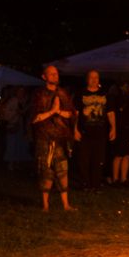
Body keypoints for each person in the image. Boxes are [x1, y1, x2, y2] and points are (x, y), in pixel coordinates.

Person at [30, 65, 76, 211]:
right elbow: (35, 118)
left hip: (61, 138)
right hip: (45, 138)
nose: (55, 76)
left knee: (63, 170)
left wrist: (60, 112)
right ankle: (45, 204)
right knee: (46, 170)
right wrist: (52, 111)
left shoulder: (62, 93)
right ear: (44, 77)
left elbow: (71, 113)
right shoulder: (39, 94)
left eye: (56, 74)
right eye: (51, 74)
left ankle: (66, 204)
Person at [73, 69, 116, 190]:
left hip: (100, 133)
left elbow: (111, 112)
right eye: (91, 77)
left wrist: (113, 128)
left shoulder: (105, 94)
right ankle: (85, 184)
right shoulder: (80, 94)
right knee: (84, 160)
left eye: (96, 77)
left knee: (98, 160)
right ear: (87, 79)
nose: (94, 80)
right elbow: (75, 113)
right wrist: (75, 129)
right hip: (84, 132)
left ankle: (96, 185)